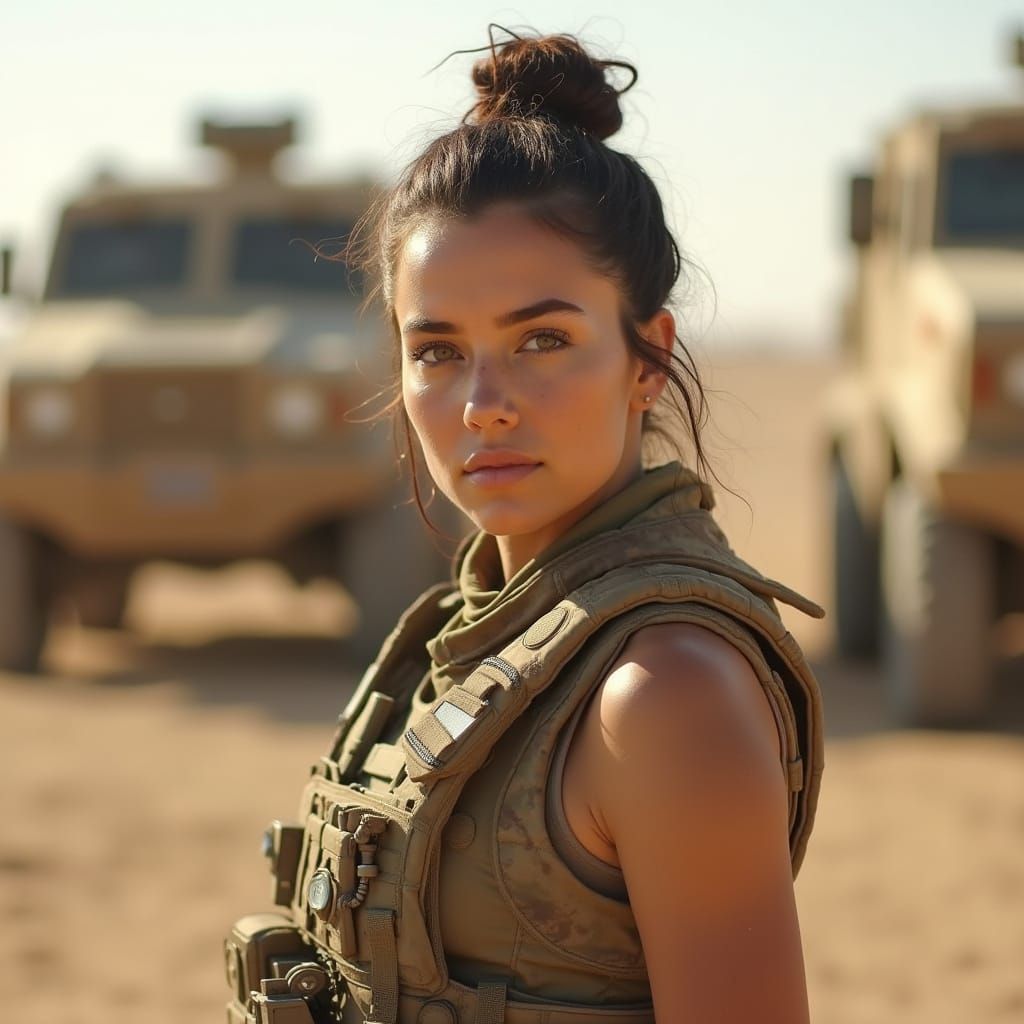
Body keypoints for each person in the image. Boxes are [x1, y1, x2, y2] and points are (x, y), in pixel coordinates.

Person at [225, 29, 825, 1024]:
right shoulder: (477, 626)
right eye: (439, 351)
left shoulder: (664, 693)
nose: (483, 404)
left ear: (645, 355)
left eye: (542, 339)